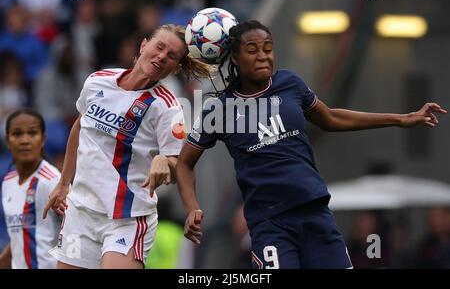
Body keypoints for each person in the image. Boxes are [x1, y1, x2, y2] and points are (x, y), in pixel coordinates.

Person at [176, 20, 448, 269]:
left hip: (314, 212)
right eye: (253, 50)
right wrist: (192, 208)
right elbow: (185, 164)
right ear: (234, 57)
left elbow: (331, 118)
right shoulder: (219, 110)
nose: (263, 56)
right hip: (270, 225)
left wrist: (401, 119)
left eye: (268, 48)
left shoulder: (290, 84)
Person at [43, 24, 210, 269]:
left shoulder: (167, 107)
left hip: (127, 219)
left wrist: (166, 161)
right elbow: (80, 127)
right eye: (159, 46)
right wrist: (64, 182)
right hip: (81, 211)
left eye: (172, 56)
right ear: (144, 45)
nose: (162, 56)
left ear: (175, 67)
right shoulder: (98, 80)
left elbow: (179, 165)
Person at [0, 108, 61, 269]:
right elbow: (18, 237)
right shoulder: (8, 181)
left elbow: (77, 234)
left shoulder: (53, 181)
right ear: (8, 140)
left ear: (43, 139)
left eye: (32, 133)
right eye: (17, 134)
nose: (25, 140)